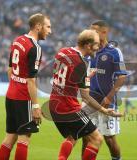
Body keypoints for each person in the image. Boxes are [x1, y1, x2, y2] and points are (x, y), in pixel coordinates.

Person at [49, 29, 122, 160]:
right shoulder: (82, 63)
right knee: (97, 139)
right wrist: (104, 110)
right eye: (96, 44)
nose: (98, 47)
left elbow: (67, 77)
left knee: (72, 136)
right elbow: (86, 97)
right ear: (88, 45)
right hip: (68, 108)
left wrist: (86, 77)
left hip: (54, 105)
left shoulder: (63, 51)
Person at [0, 13, 51, 160]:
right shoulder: (35, 48)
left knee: (9, 138)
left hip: (11, 95)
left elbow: (9, 70)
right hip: (23, 98)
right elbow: (31, 80)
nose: (50, 31)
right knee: (24, 139)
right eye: (48, 26)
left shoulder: (17, 40)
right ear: (38, 26)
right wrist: (35, 106)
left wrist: (15, 85)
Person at [82, 20, 127, 160]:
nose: (91, 34)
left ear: (104, 32)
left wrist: (109, 98)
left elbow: (122, 77)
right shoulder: (89, 51)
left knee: (109, 139)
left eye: (94, 31)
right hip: (90, 101)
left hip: (108, 102)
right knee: (86, 136)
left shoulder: (114, 52)